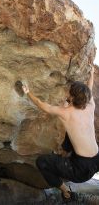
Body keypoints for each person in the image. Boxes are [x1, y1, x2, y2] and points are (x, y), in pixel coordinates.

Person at [22, 65, 99, 202]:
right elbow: (90, 87)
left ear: (73, 97)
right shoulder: (90, 105)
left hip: (80, 169)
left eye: (69, 93)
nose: (67, 93)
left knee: (42, 162)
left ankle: (66, 192)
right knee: (71, 134)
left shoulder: (65, 112)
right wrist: (91, 73)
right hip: (96, 160)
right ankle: (63, 153)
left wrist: (27, 92)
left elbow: (42, 105)